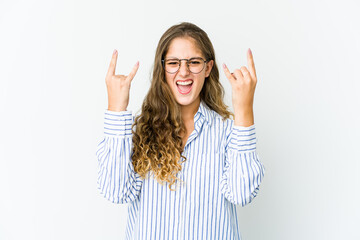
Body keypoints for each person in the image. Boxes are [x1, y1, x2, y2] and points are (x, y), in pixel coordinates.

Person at [96, 22, 265, 240]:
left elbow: (242, 194)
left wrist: (244, 110)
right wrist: (115, 110)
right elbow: (115, 192)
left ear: (207, 68)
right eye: (174, 63)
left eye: (194, 62)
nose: (183, 71)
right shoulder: (140, 132)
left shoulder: (227, 132)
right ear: (162, 69)